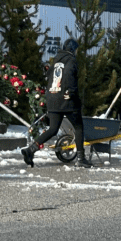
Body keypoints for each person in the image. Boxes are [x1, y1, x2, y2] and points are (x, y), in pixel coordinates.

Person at [20, 38, 92, 169]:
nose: (76, 52)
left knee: (53, 129)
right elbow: (69, 75)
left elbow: (49, 76)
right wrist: (72, 92)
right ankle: (81, 158)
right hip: (67, 99)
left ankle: (30, 150)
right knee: (78, 127)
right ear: (72, 49)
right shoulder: (71, 60)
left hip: (53, 98)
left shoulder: (56, 60)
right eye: (76, 49)